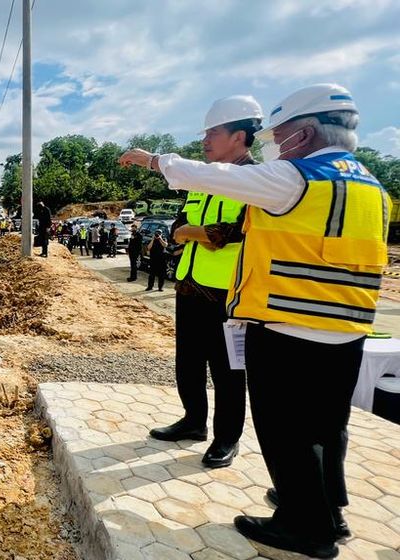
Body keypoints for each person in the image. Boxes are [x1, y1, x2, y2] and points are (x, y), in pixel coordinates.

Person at [120, 84, 386, 559]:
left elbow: (202, 178)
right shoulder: (370, 185)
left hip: (288, 320)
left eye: (280, 137)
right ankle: (326, 508)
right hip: (346, 326)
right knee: (326, 427)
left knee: (284, 428)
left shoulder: (295, 178)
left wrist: (152, 160)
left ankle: (306, 527)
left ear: (304, 133)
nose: (276, 147)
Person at [147, 96, 262, 472]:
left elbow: (230, 233)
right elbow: (177, 229)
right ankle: (192, 421)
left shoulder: (256, 182)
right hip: (189, 286)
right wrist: (197, 233)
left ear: (239, 136)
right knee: (189, 363)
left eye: (213, 132)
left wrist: (195, 233)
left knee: (229, 370)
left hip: (228, 295)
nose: (205, 140)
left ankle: (226, 438)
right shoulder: (200, 183)